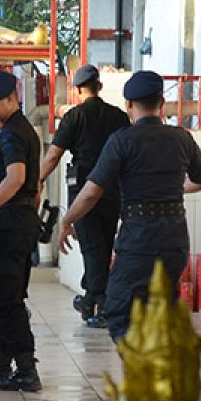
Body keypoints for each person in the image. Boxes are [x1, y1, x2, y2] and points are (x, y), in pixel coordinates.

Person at [56, 70, 201, 342]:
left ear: (129, 105)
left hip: (140, 237)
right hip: (175, 237)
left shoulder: (122, 140)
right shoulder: (181, 138)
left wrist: (67, 220)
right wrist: (174, 190)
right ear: (161, 103)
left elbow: (91, 193)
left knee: (118, 309)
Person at [38, 64, 130, 327]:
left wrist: (38, 180)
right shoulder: (119, 118)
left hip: (83, 189)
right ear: (99, 87)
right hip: (112, 189)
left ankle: (98, 302)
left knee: (91, 247)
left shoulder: (74, 117)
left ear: (77, 90)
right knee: (102, 244)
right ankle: (91, 297)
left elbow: (54, 154)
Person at [0, 68, 43, 392]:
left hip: (12, 223)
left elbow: (16, 178)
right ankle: (2, 359)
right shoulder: (16, 129)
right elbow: (35, 183)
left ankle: (27, 369)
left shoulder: (14, 133)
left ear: (11, 99)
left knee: (9, 297)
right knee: (3, 294)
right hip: (16, 222)